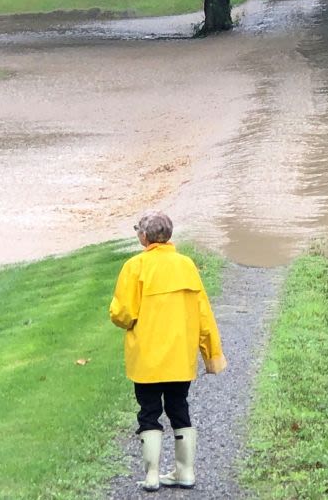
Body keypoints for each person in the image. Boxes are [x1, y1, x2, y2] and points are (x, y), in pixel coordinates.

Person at [109, 211, 227, 493]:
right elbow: (203, 314)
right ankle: (185, 472)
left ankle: (151, 476)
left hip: (147, 358)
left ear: (145, 237)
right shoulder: (186, 266)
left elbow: (122, 314)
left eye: (139, 231)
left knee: (149, 412)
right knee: (179, 407)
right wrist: (211, 355)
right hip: (179, 357)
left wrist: (125, 319)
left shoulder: (135, 266)